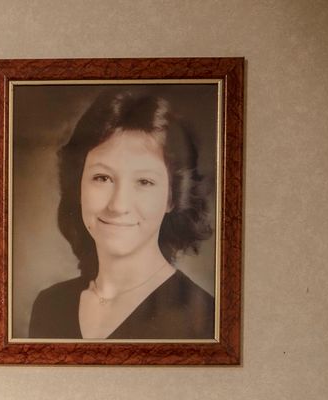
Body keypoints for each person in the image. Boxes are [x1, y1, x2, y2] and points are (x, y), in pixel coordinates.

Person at [28, 89, 215, 340]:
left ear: (172, 197)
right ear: (78, 184)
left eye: (144, 182)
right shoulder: (50, 305)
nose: (118, 205)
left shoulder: (204, 320)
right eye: (102, 178)